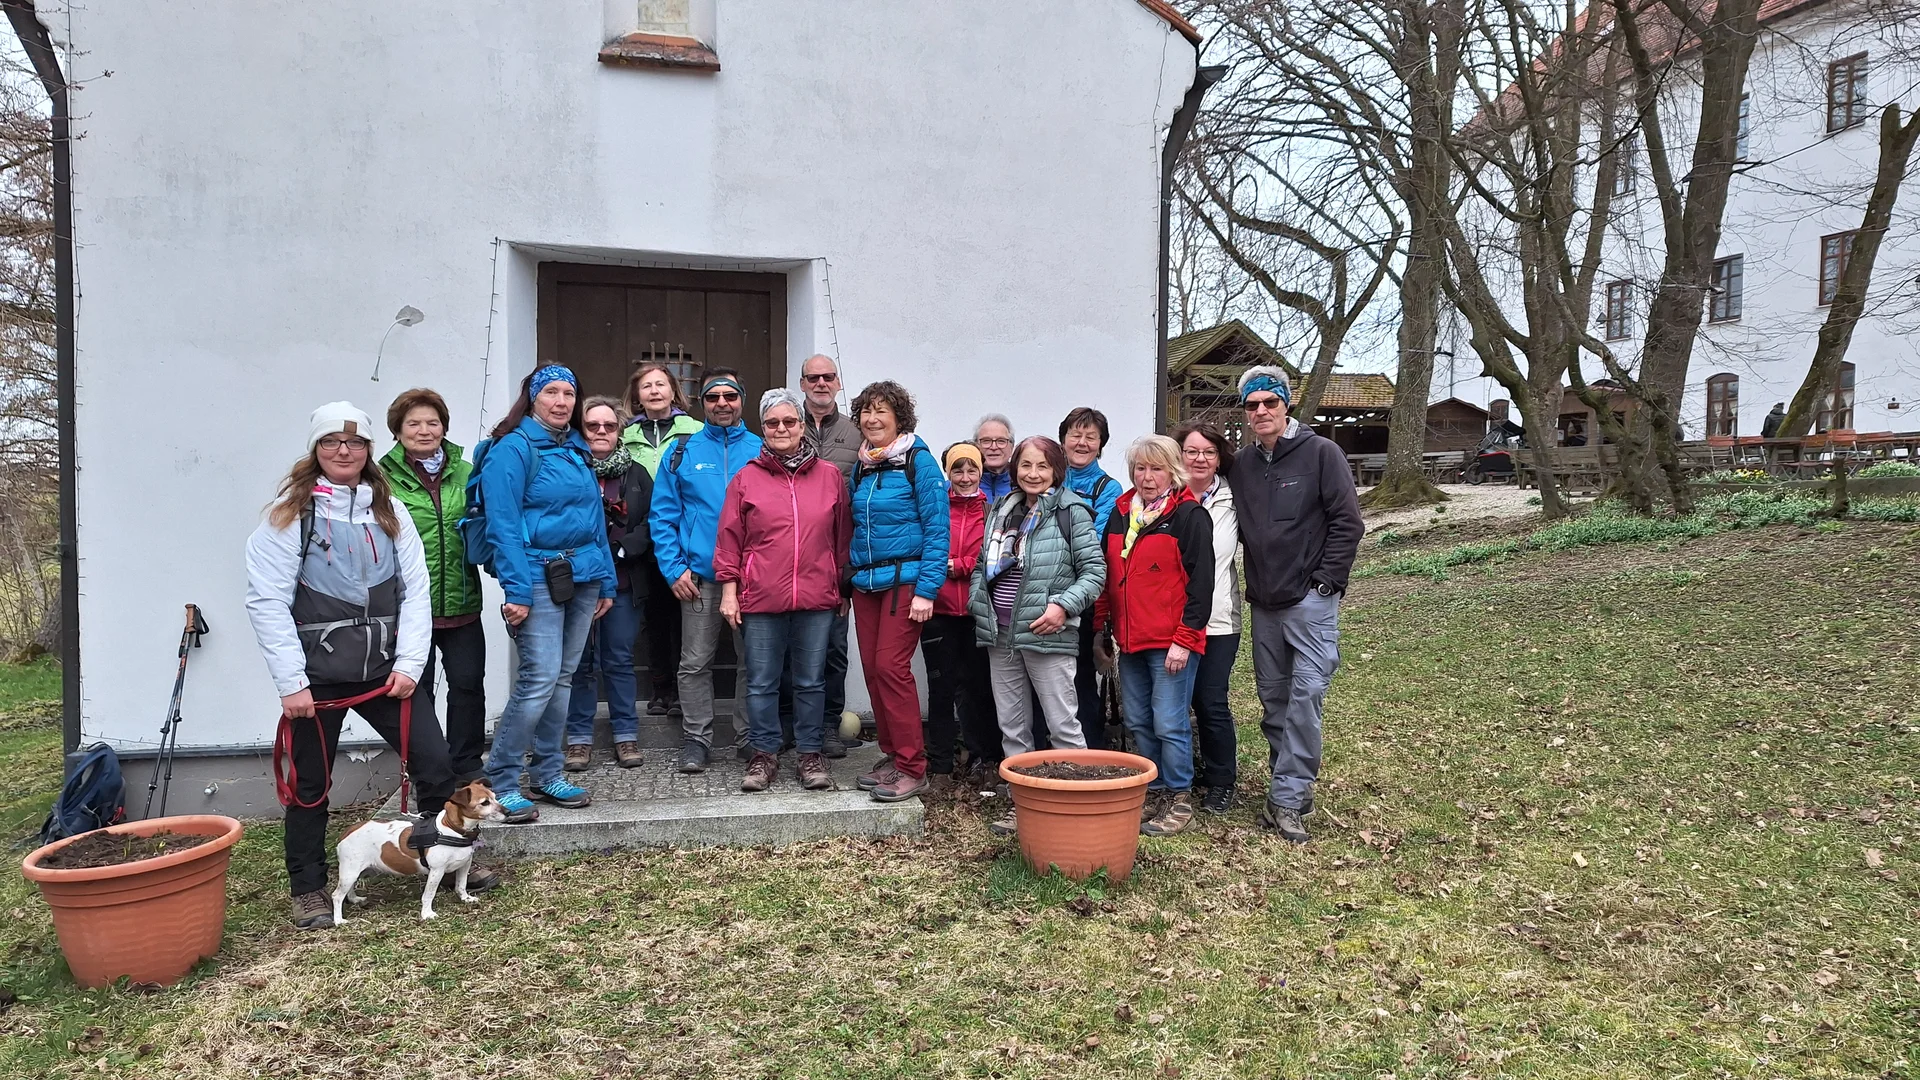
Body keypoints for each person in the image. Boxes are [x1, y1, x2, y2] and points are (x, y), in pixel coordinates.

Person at [247, 401, 479, 930]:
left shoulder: (388, 511)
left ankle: (439, 855)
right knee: (310, 785)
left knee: (435, 763)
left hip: (385, 676)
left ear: (369, 450)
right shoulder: (289, 516)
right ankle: (308, 887)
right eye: (331, 441)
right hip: (316, 682)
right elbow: (267, 602)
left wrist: (410, 664)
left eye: (354, 442)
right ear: (316, 449)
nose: (343, 451)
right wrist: (292, 682)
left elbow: (416, 590)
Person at [477, 366, 615, 824]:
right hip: (536, 577)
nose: (561, 401)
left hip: (583, 575)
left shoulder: (575, 447)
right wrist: (517, 589)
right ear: (532, 398)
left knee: (563, 677)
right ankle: (501, 779)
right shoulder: (512, 449)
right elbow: (502, 525)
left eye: (569, 393)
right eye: (551, 392)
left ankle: (548, 773)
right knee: (538, 679)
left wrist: (606, 580)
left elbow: (595, 521)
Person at [1231, 365, 1363, 844]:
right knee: (1274, 701)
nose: (1261, 411)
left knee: (1306, 698)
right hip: (1264, 602)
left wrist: (1326, 584)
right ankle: (1289, 784)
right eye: (1252, 405)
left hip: (1310, 602)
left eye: (1270, 401)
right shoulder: (1242, 465)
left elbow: (1348, 522)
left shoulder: (1321, 453)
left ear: (1287, 404)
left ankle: (1286, 799)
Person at [714, 389, 852, 793]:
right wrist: (729, 591)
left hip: (817, 598)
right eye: (772, 422)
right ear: (763, 428)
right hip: (760, 597)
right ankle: (763, 754)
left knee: (810, 681)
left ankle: (810, 754)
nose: (781, 429)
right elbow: (729, 539)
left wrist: (841, 588)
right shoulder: (746, 478)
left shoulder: (828, 475)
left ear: (802, 426)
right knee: (761, 681)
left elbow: (841, 537)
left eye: (789, 421)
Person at [971, 435, 1107, 834]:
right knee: (1012, 727)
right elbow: (982, 565)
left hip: (1047, 632)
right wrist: (977, 602)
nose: (1033, 474)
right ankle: (1025, 807)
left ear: (1056, 470)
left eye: (1042, 466)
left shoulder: (1072, 512)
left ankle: (1077, 811)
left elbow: (1094, 573)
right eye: (1026, 465)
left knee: (1062, 724)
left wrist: (1062, 606)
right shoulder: (1003, 508)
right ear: (1015, 469)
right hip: (1000, 634)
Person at [1095, 434, 1213, 838]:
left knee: (1169, 721)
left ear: (1173, 471)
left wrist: (1185, 640)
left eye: (1156, 469)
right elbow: (1109, 577)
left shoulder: (1189, 516)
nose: (1147, 477)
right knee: (1139, 720)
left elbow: (1201, 587)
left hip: (1170, 643)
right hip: (1130, 642)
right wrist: (1101, 630)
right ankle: (1155, 788)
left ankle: (1179, 796)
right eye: (1140, 468)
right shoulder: (1121, 513)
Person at [650, 369, 763, 774]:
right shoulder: (683, 451)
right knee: (695, 662)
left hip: (752, 578)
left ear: (741, 400)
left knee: (754, 662)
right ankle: (697, 738)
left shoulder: (762, 449)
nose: (722, 404)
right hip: (699, 577)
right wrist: (673, 569)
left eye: (730, 396)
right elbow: (663, 515)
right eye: (713, 397)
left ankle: (749, 737)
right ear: (702, 404)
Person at [847, 380, 948, 803]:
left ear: (899, 418)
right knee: (873, 670)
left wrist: (927, 590)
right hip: (866, 583)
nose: (872, 419)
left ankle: (913, 767)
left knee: (891, 668)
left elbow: (938, 530)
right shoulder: (863, 466)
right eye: (866, 411)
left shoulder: (919, 463)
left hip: (904, 582)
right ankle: (892, 755)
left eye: (881, 411)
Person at [380, 388, 487, 785]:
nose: (424, 431)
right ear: (397, 430)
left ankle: (467, 764)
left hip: (462, 599)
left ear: (444, 427)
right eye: (414, 423)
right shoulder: (381, 477)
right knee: (417, 691)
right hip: (408, 607)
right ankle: (427, 770)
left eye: (432, 422)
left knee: (468, 686)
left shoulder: (466, 471)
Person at [563, 396, 654, 772]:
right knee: (578, 662)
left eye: (610, 426)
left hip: (623, 582)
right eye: (593, 426)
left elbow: (652, 521)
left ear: (620, 431)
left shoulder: (637, 474)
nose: (601, 432)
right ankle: (578, 739)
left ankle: (626, 735)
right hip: (576, 583)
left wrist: (620, 549)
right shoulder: (567, 468)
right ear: (581, 430)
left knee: (618, 659)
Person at [621, 362, 703, 719]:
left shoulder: (695, 431)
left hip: (683, 538)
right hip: (642, 540)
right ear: (637, 396)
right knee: (653, 617)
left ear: (673, 391)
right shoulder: (624, 435)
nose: (654, 391)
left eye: (660, 384)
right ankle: (660, 689)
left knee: (687, 618)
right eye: (646, 386)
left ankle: (686, 692)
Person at [1175, 423, 1242, 815]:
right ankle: (1177, 776)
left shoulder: (1235, 499)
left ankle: (1221, 781)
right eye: (1191, 451)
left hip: (1218, 619)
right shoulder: (1165, 497)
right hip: (1173, 619)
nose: (1200, 459)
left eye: (1209, 452)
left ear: (1219, 458)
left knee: (1210, 699)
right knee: (1173, 702)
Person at [797, 354, 860, 757]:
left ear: (838, 382)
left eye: (828, 377)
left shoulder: (857, 433)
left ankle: (829, 725)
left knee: (834, 648)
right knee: (792, 649)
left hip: (839, 557)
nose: (821, 383)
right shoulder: (786, 425)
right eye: (813, 377)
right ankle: (791, 724)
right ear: (802, 383)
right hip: (791, 555)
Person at [920, 442, 994, 786]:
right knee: (941, 689)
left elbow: (993, 558)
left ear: (981, 472)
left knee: (979, 689)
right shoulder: (935, 508)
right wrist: (946, 566)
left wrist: (959, 565)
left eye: (971, 470)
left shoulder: (992, 512)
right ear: (947, 473)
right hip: (939, 612)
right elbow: (926, 550)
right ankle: (940, 765)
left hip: (977, 613)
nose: (965, 477)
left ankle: (983, 758)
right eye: (957, 470)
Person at [1059, 406, 1122, 750]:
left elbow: (1093, 543)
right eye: (1075, 435)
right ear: (1063, 440)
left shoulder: (1108, 488)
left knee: (1081, 675)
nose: (1081, 443)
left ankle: (1091, 752)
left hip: (1084, 598)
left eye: (1091, 437)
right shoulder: (1050, 478)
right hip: (1042, 596)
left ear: (1101, 445)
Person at [975, 414, 1016, 502]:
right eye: (986, 441)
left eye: (1001, 441)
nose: (994, 447)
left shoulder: (1023, 485)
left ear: (1011, 448)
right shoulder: (956, 486)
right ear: (976, 446)